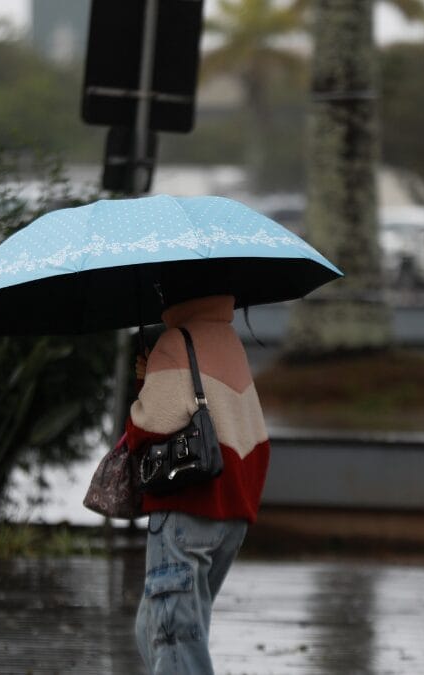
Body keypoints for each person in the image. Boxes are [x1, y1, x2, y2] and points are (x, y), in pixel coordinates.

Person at [124, 284, 269, 674]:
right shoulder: (229, 339)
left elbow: (146, 429)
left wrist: (146, 381)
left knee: (175, 639)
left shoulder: (175, 341)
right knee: (155, 625)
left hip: (187, 509)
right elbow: (254, 436)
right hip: (231, 515)